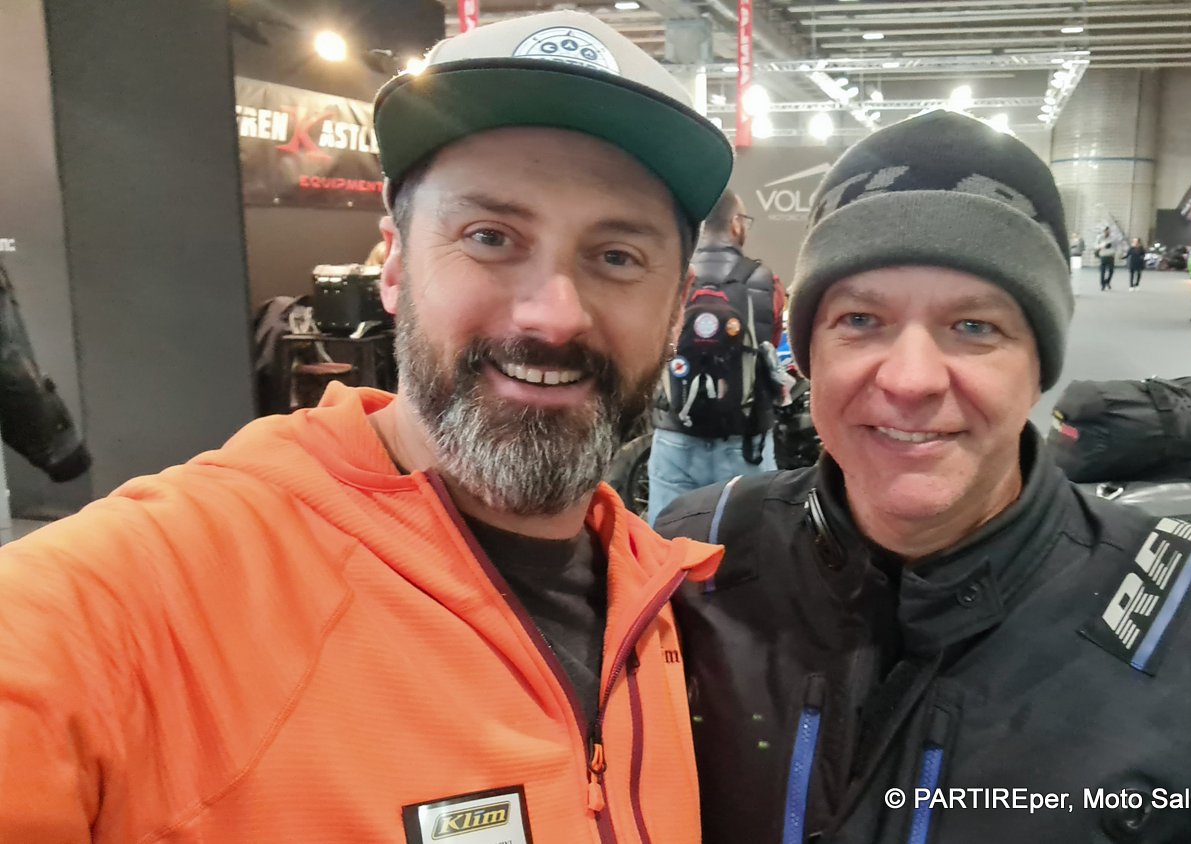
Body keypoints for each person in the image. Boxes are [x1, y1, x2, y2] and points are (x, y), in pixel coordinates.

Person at [0, 11, 733, 841]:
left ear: (677, 309)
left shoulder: (665, 600)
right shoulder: (148, 596)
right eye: (491, 237)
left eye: (617, 257)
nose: (553, 314)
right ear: (394, 264)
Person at [657, 111, 1191, 843]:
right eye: (861, 320)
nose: (910, 379)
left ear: (1039, 367)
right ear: (811, 352)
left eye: (975, 327)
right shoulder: (696, 560)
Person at [647, 189, 787, 525]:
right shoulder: (766, 282)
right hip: (745, 442)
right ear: (736, 225)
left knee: (665, 540)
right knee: (747, 544)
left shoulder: (670, 276)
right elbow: (770, 345)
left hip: (676, 434)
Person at [1095, 226, 1116, 290]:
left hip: (1110, 256)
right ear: (1104, 231)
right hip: (1103, 256)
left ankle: (1107, 281)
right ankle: (1103, 285)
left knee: (1111, 271)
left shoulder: (1112, 238)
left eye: (1108, 231)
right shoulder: (1100, 237)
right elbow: (1095, 246)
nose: (1107, 232)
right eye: (1106, 231)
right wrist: (1102, 245)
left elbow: (1115, 246)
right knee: (1102, 272)